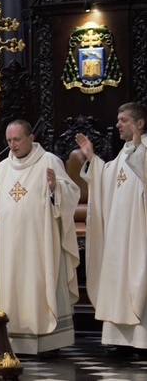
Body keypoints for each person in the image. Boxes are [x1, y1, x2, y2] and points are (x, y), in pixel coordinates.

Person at [0, 119, 80, 355]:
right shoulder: (2, 168)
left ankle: (46, 341)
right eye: (9, 140)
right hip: (7, 246)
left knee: (38, 282)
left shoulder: (49, 162)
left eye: (17, 139)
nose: (13, 145)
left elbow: (70, 194)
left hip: (38, 243)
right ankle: (11, 340)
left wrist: (56, 187)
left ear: (30, 138)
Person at [75, 101, 147, 356]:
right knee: (119, 280)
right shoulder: (124, 153)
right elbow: (105, 178)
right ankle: (120, 340)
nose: (117, 124)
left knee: (139, 280)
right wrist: (92, 158)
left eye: (123, 120)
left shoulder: (143, 152)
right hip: (118, 234)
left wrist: (139, 148)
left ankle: (141, 341)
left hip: (140, 233)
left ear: (139, 123)